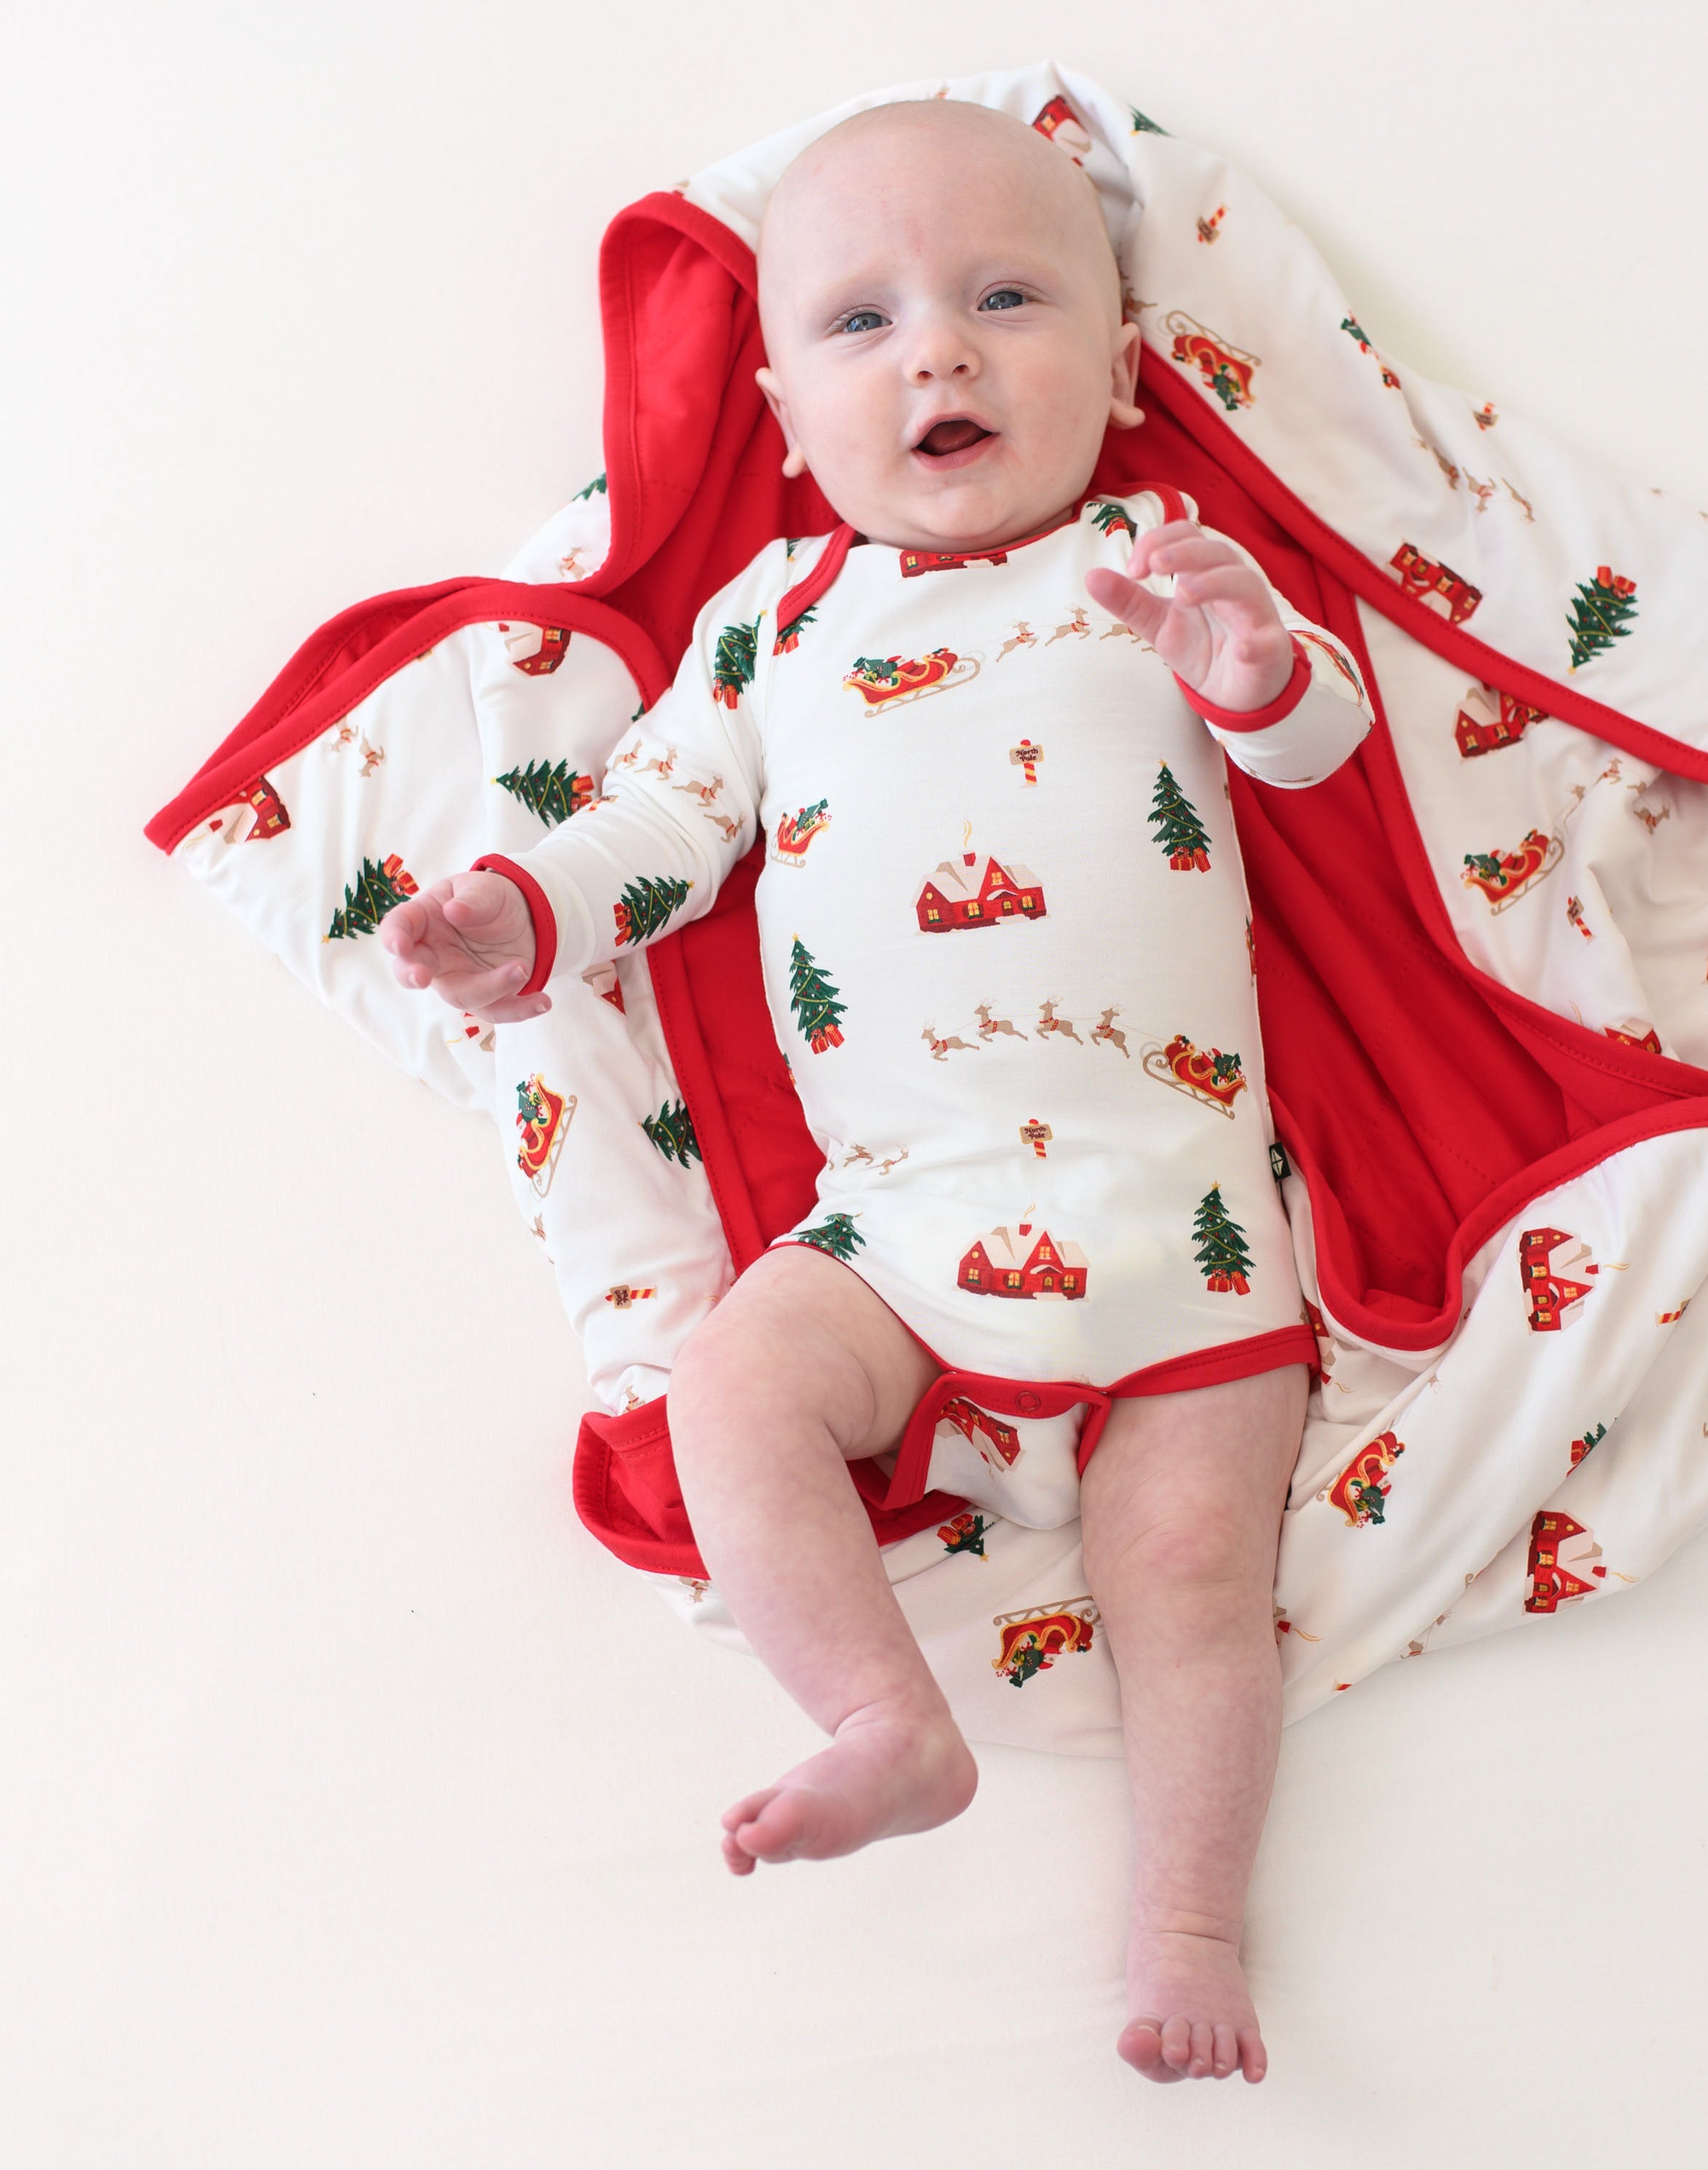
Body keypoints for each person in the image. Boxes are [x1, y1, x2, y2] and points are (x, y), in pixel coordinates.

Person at [381, 95, 1371, 2088]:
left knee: (1190, 1581)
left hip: (1179, 1214)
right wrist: (527, 911)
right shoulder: (776, 624)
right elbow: (659, 817)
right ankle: (879, 1721)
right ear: (779, 400)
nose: (939, 349)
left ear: (1120, 359)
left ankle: (1184, 1911)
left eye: (1008, 298)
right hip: (896, 1221)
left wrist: (1249, 664)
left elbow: (1315, 750)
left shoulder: (1148, 564)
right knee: (734, 1385)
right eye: (865, 322)